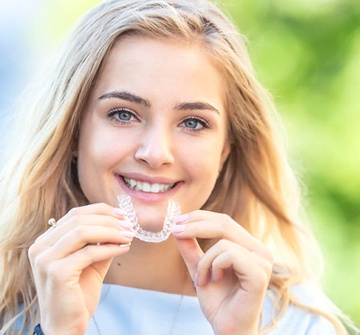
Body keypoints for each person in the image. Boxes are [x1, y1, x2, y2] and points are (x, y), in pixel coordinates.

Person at [0, 0, 357, 334]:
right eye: (123, 114)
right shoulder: (9, 308)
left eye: (193, 122)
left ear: (225, 151)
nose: (156, 154)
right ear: (73, 132)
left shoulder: (299, 323)